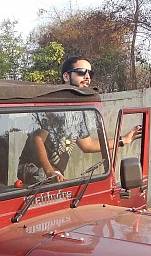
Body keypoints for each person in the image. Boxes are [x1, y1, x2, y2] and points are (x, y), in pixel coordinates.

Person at [16, 55, 142, 184]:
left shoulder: (78, 111)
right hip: (34, 172)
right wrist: (50, 171)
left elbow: (87, 145)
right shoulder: (55, 104)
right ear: (66, 77)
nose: (87, 77)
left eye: (90, 73)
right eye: (81, 72)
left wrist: (124, 140)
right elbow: (37, 139)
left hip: (54, 175)